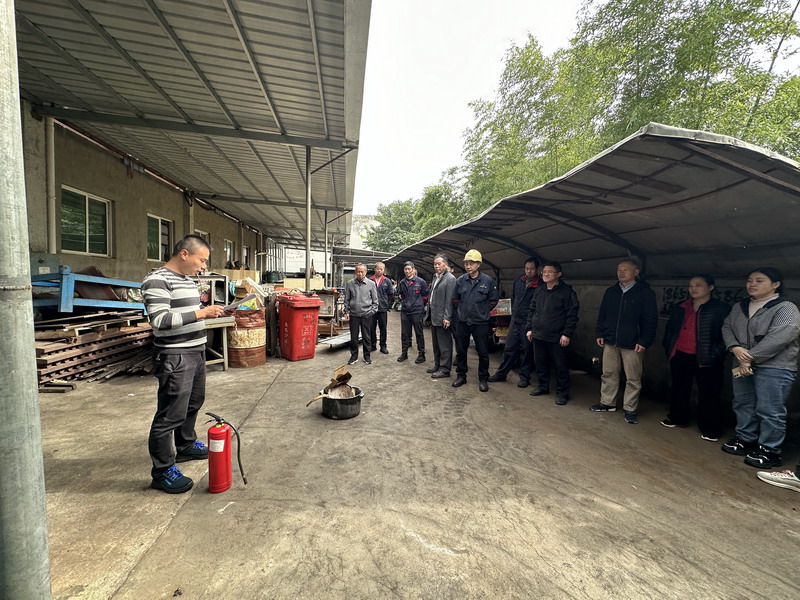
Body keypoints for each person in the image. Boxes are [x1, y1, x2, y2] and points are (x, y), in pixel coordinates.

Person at [142, 234, 225, 494]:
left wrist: (208, 314)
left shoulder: (187, 280)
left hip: (196, 350)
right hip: (175, 355)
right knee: (170, 413)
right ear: (184, 254)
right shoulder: (157, 280)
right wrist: (202, 312)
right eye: (202, 260)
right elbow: (160, 320)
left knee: (193, 402)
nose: (203, 266)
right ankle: (162, 471)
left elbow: (185, 315)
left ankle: (186, 445)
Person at [720, 267, 799, 469]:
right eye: (749, 280)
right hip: (741, 362)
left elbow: (782, 336)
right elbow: (727, 327)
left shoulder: (785, 308)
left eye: (759, 280)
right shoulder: (740, 306)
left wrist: (749, 358)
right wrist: (734, 347)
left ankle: (770, 450)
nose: (752, 284)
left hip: (775, 367)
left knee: (770, 410)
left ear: (776, 284)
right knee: (743, 402)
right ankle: (745, 438)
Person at [661, 274, 730, 441]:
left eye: (698, 285)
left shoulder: (720, 309)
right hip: (681, 353)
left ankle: (710, 428)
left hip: (706, 356)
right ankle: (678, 417)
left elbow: (727, 335)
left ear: (711, 287)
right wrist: (670, 347)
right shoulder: (681, 306)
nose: (693, 288)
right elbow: (670, 329)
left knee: (709, 392)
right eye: (691, 285)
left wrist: (716, 353)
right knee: (679, 387)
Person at [592, 259, 658, 424]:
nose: (621, 273)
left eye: (625, 270)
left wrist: (644, 340)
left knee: (633, 378)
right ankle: (607, 403)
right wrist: (600, 332)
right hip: (610, 340)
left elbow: (650, 320)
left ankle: (630, 408)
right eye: (619, 270)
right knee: (609, 373)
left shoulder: (645, 293)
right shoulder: (611, 291)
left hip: (633, 343)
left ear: (636, 272)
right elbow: (602, 314)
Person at [526, 262, 579, 405]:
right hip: (538, 334)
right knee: (540, 363)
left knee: (560, 365)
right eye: (544, 272)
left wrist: (566, 333)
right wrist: (529, 328)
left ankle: (562, 392)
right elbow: (532, 310)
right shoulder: (539, 290)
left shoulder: (567, 292)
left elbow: (572, 315)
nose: (546, 274)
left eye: (549, 272)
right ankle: (543, 386)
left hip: (557, 336)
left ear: (558, 274)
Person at [488, 258, 542, 387]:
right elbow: (514, 298)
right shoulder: (519, 280)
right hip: (515, 320)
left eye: (532, 269)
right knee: (509, 348)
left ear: (537, 270)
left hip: (528, 322)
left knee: (528, 350)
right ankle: (501, 374)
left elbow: (539, 307)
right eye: (527, 268)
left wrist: (532, 324)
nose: (529, 271)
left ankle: (524, 377)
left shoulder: (540, 285)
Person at [452, 249, 499, 392]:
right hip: (463, 322)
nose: (468, 266)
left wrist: (481, 311)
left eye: (471, 263)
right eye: (466, 263)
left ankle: (483, 378)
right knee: (461, 351)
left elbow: (493, 300)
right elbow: (455, 299)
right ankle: (461, 376)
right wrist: (464, 310)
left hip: (481, 323)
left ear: (478, 264)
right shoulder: (460, 280)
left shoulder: (487, 281)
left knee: (483, 352)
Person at [426, 254, 456, 379]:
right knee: (436, 344)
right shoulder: (435, 277)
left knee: (445, 345)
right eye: (435, 264)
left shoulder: (450, 279)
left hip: (443, 317)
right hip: (434, 315)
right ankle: (437, 365)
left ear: (446, 264)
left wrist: (447, 317)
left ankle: (445, 369)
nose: (436, 266)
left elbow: (449, 300)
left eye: (439, 263)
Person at [343, 263, 378, 365]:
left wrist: (371, 312)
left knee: (366, 337)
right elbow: (347, 299)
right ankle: (354, 356)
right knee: (354, 337)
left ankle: (367, 356)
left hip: (366, 314)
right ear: (355, 272)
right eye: (358, 271)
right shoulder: (350, 284)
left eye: (362, 272)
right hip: (354, 315)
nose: (360, 273)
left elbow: (375, 301)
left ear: (365, 272)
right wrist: (347, 311)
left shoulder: (371, 284)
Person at [397, 261, 429, 363]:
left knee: (419, 333)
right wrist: (406, 304)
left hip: (417, 311)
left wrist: (419, 305)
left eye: (409, 269)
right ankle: (404, 353)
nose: (407, 271)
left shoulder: (421, 282)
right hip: (405, 311)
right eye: (405, 269)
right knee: (404, 333)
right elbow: (401, 295)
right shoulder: (402, 282)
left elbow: (425, 296)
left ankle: (421, 354)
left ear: (413, 269)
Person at [369, 262, 394, 354]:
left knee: (383, 328)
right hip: (371, 308)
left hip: (382, 308)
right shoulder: (369, 280)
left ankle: (383, 346)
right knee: (371, 327)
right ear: (374, 269)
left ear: (383, 270)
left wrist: (385, 302)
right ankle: (372, 345)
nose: (379, 270)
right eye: (377, 269)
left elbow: (390, 294)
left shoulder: (387, 281)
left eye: (381, 269)